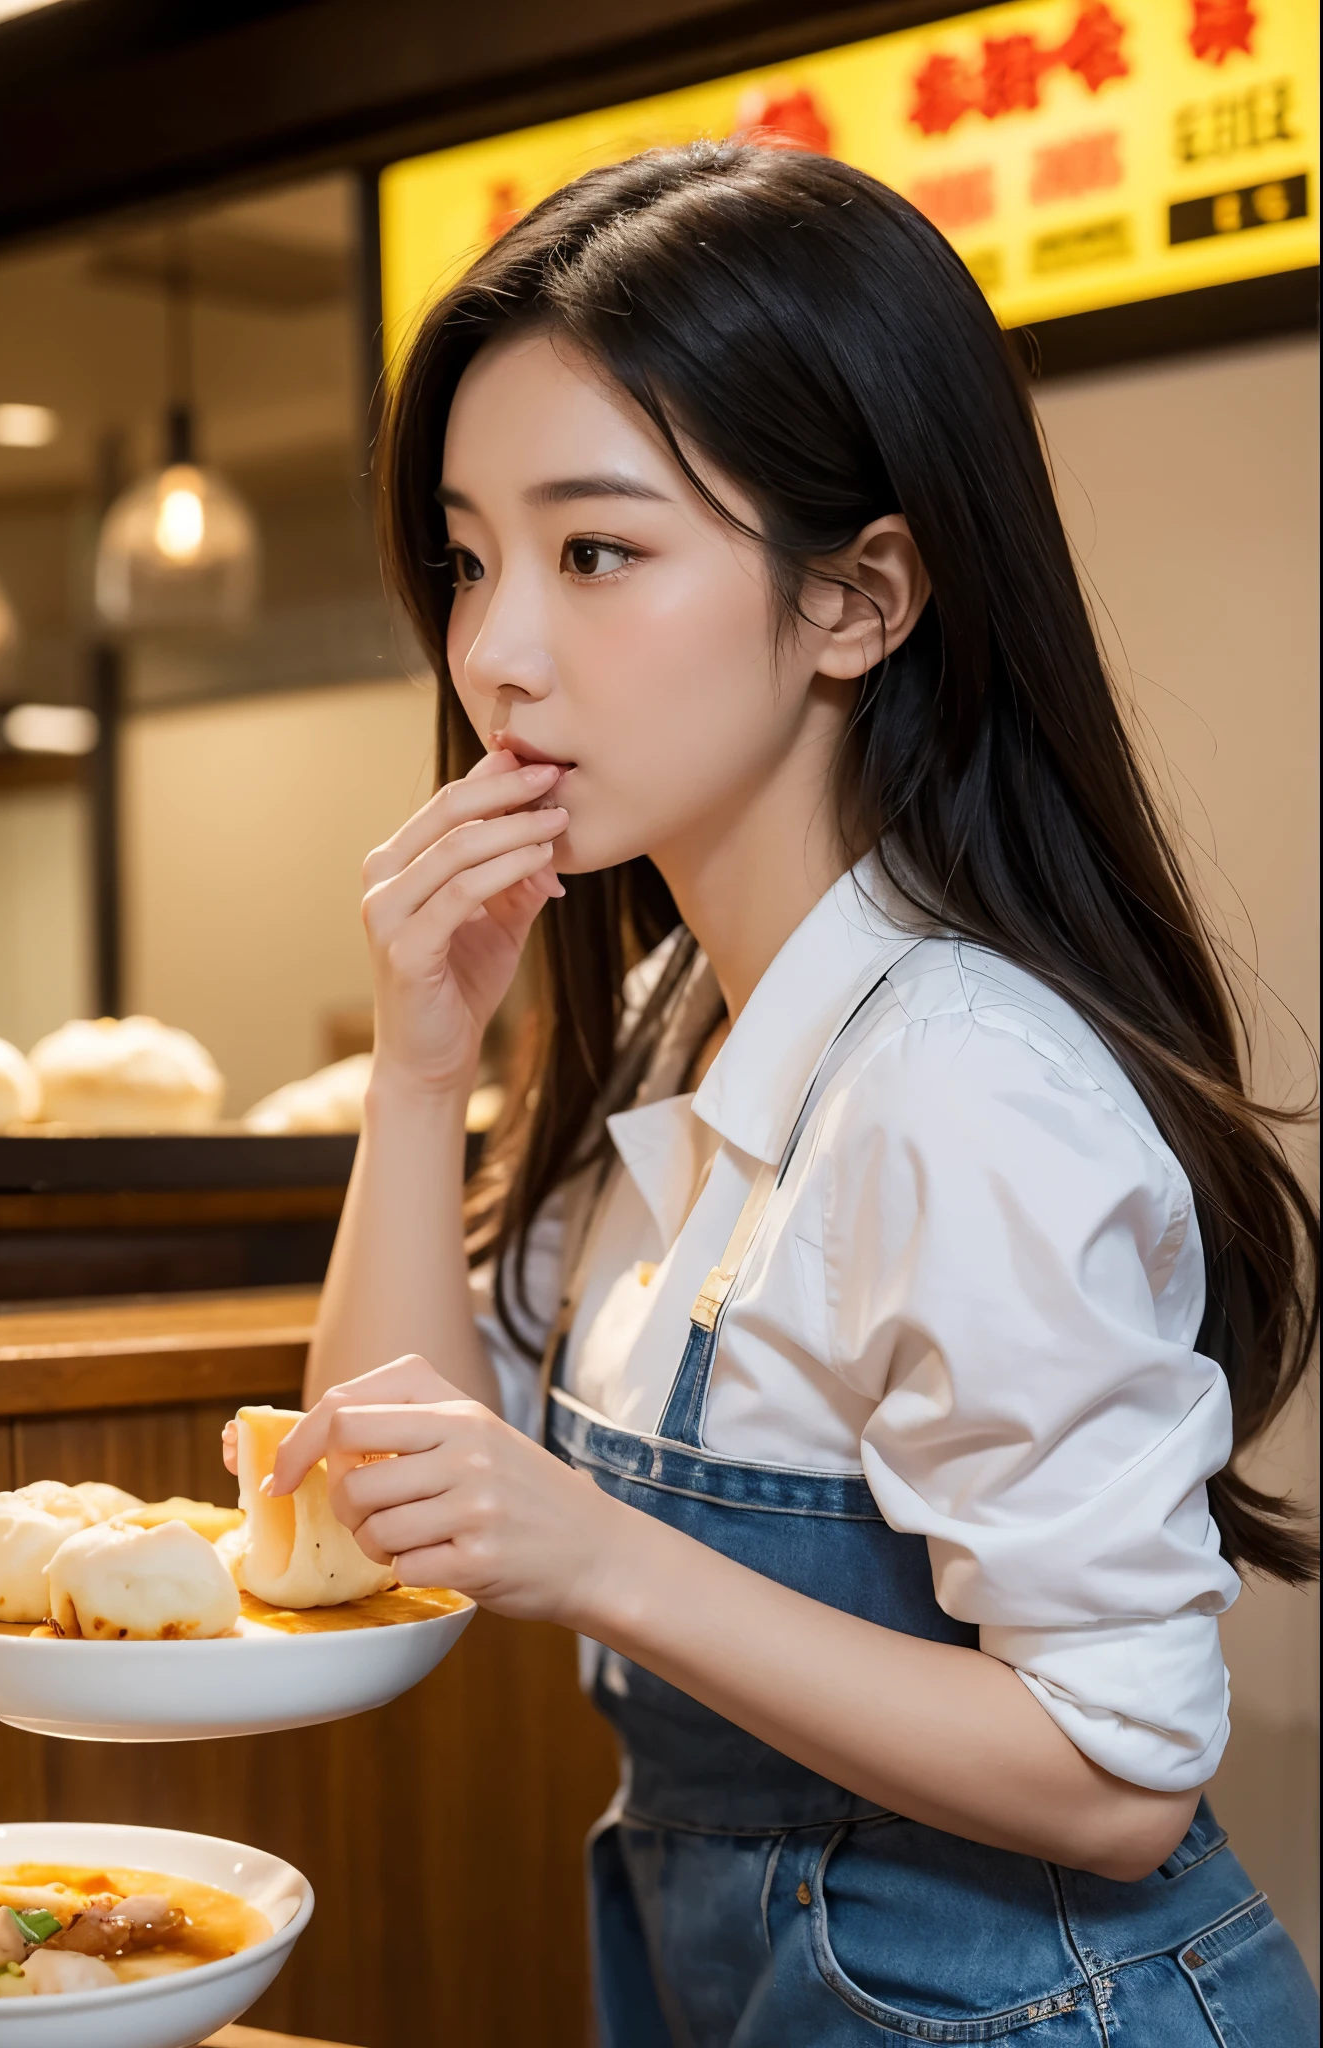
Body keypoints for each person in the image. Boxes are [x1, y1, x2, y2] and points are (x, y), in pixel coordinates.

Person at [240, 145, 1321, 2043]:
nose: (490, 652)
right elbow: (376, 1482)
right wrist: (423, 1069)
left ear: (858, 600)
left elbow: (1121, 1770)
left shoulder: (965, 1077)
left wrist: (597, 1553)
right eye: (470, 557)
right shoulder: (677, 1011)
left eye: (597, 552)